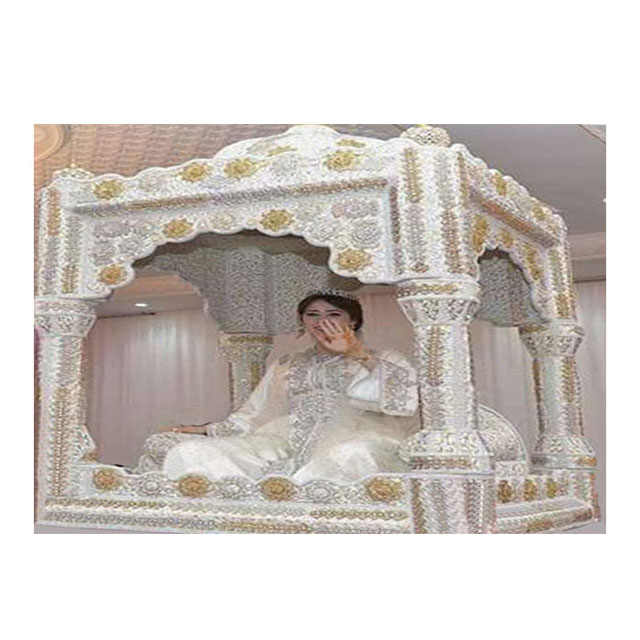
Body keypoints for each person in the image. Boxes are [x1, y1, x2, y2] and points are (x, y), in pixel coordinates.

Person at [134, 289, 419, 483]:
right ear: (302, 321)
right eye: (312, 314)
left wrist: (356, 353)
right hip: (285, 441)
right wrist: (206, 430)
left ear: (352, 320)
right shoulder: (287, 364)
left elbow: (402, 403)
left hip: (358, 439)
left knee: (349, 456)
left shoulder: (384, 359)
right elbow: (254, 412)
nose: (322, 322)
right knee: (192, 453)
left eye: (333, 314)